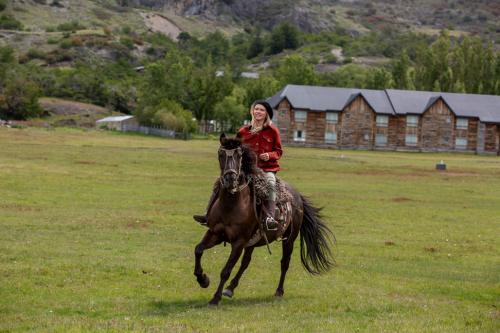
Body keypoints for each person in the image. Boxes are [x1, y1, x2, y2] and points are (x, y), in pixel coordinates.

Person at [193, 100, 283, 231]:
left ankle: (269, 218)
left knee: (270, 182)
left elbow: (279, 151)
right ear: (252, 112)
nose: (258, 111)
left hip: (266, 169)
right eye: (256, 109)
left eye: (262, 110)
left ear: (267, 114)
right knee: (220, 182)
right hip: (246, 169)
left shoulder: (273, 131)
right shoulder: (243, 131)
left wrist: (269, 155)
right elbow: (234, 149)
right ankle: (208, 215)